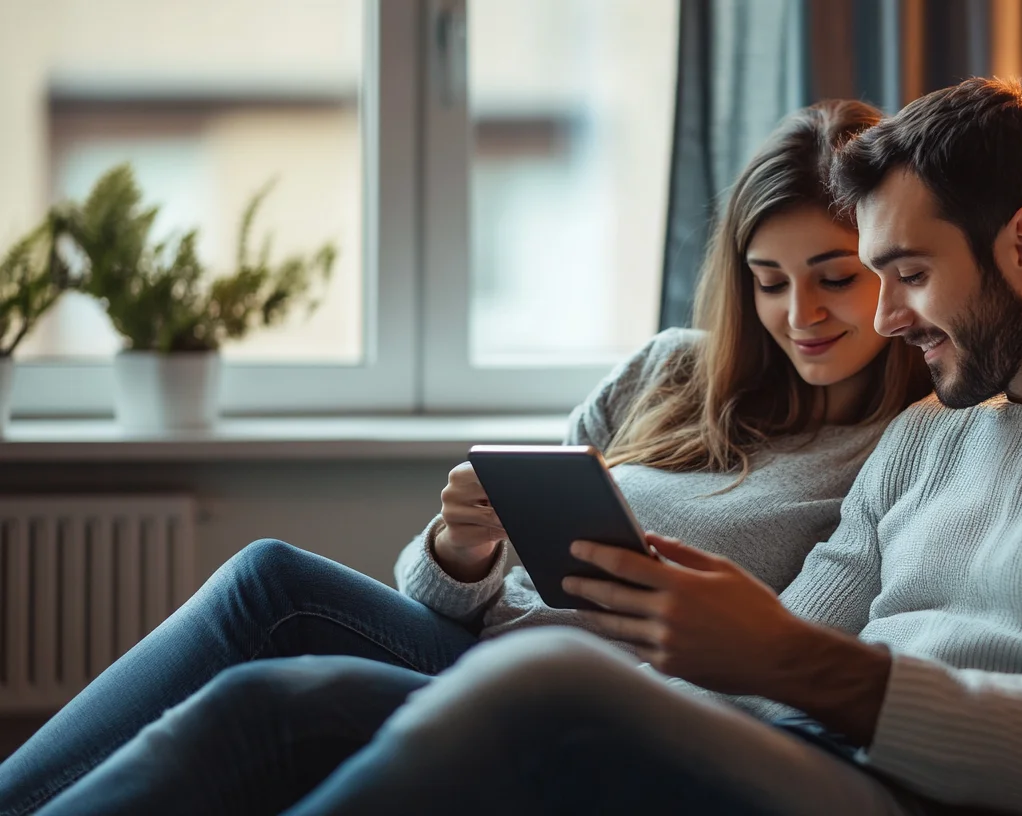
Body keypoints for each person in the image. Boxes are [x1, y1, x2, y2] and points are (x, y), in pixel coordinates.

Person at [26, 76, 1022, 816]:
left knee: (532, 687)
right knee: (276, 692)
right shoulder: (935, 435)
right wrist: (727, 640)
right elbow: (801, 638)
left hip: (911, 792)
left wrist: (805, 669)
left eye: (902, 275)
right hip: (806, 744)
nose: (886, 318)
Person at [0, 99, 931, 816]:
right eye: (769, 284)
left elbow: (793, 663)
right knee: (269, 580)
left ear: (892, 266)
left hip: (584, 702)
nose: (799, 316)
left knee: (269, 695)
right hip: (475, 642)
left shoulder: (896, 449)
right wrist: (464, 547)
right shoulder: (670, 372)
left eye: (834, 279)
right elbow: (431, 596)